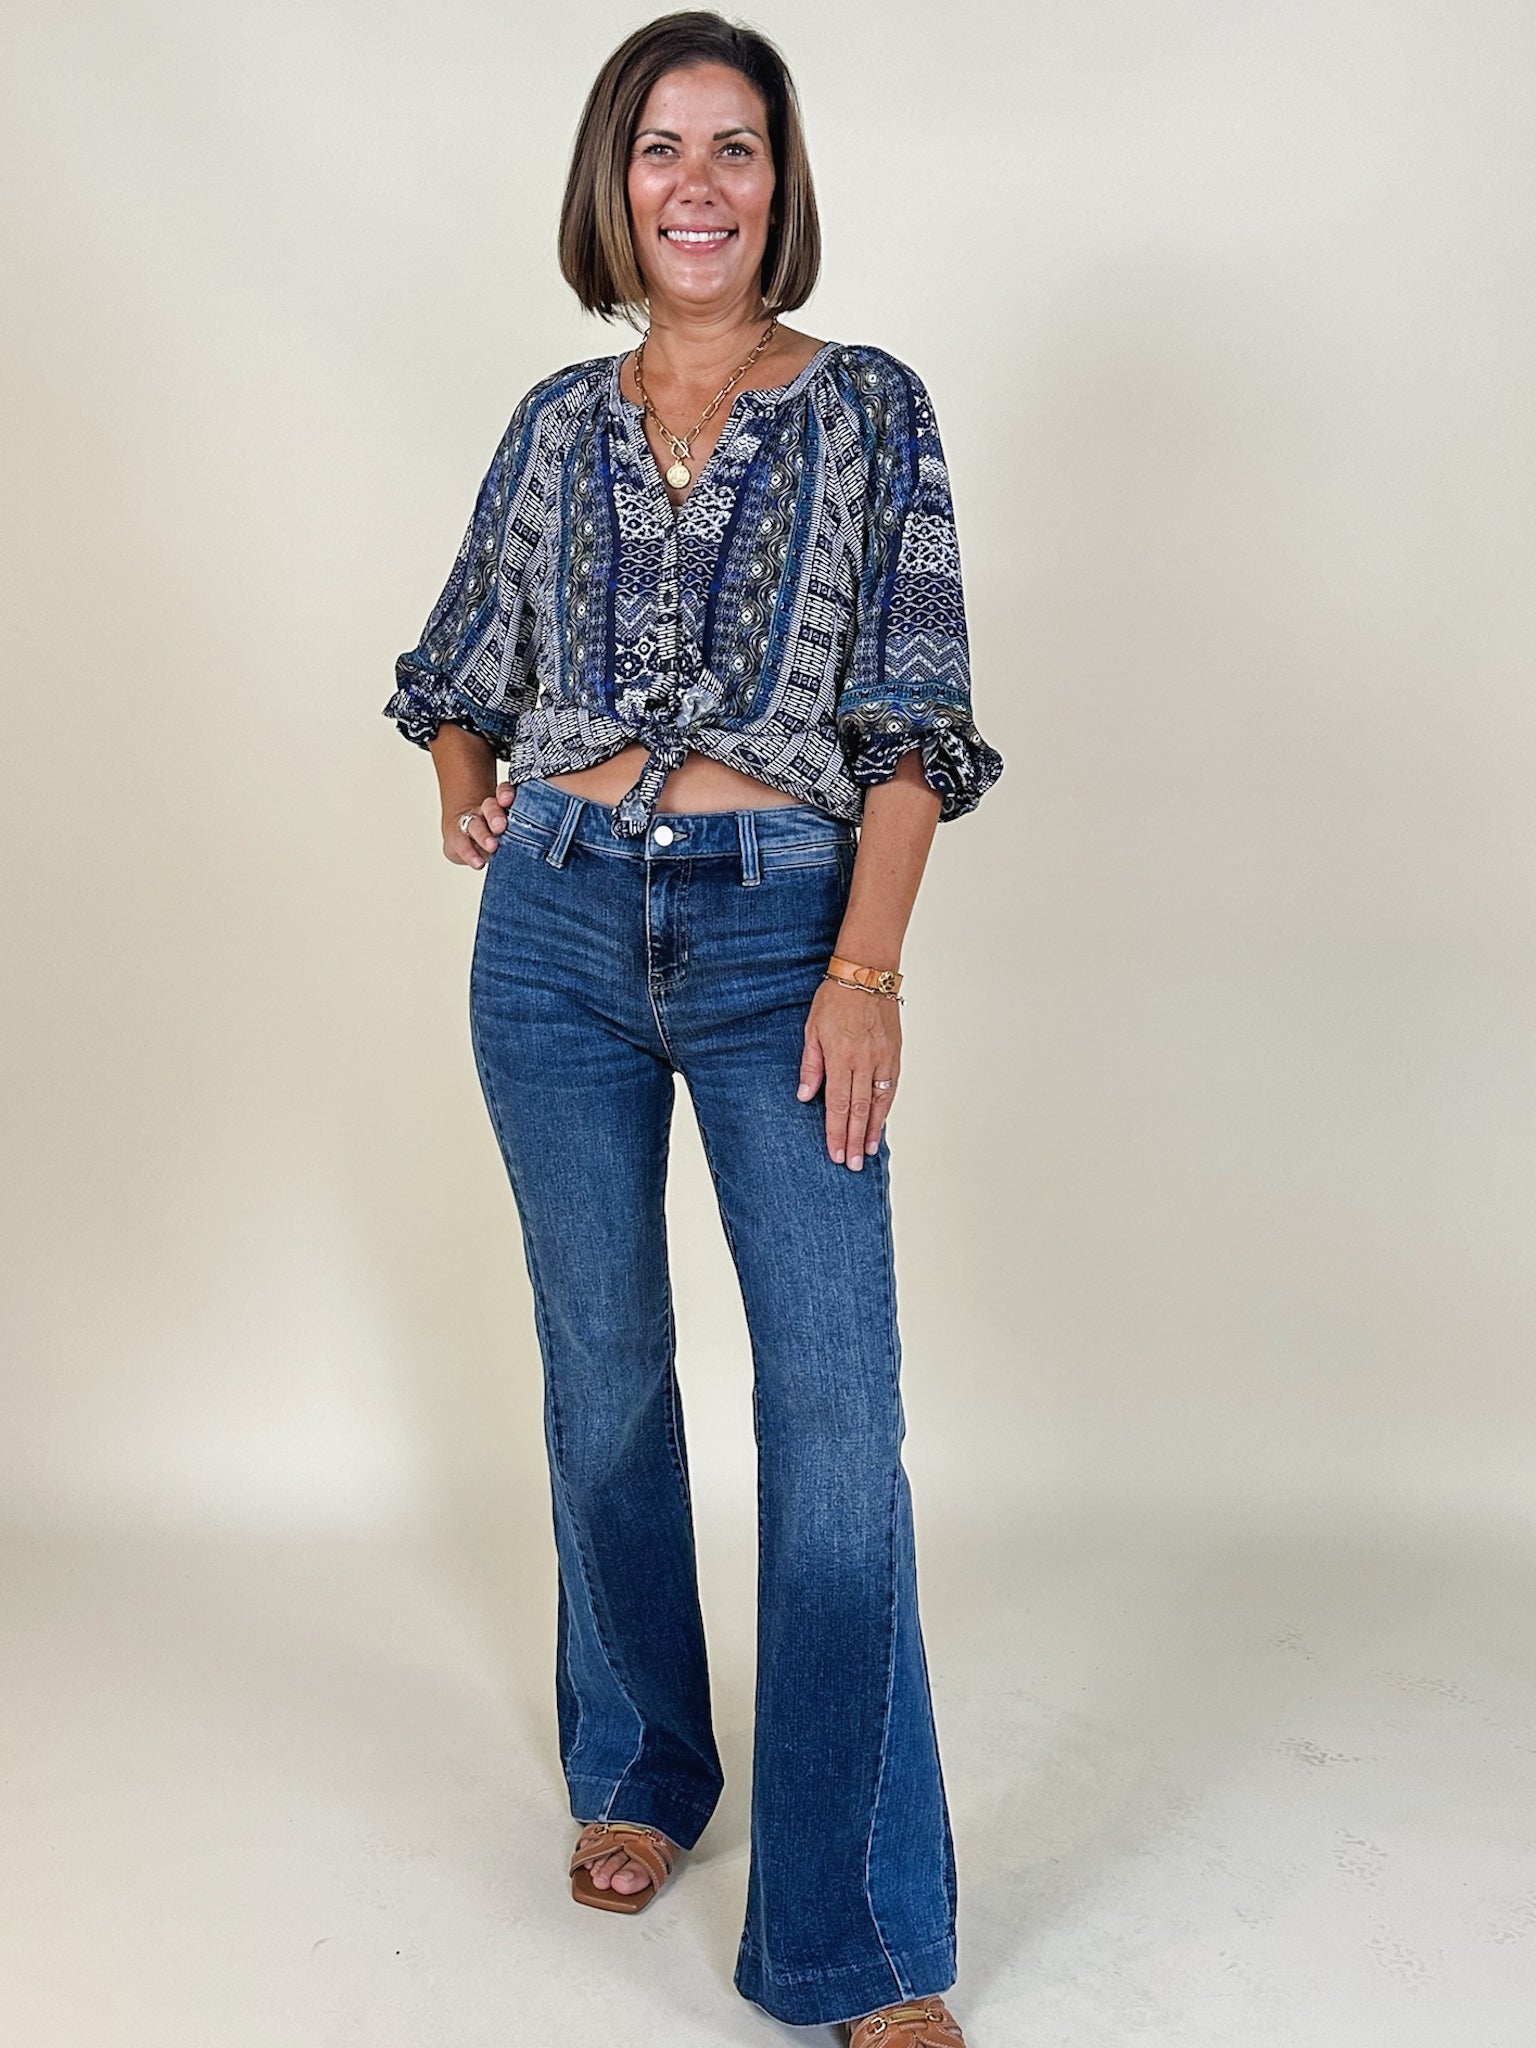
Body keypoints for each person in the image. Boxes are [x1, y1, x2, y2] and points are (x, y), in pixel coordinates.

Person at [383, 13, 1004, 2043]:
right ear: (616, 182)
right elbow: (455, 667)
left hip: (780, 939)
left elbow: (915, 722)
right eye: (664, 147)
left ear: (779, 182)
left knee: (833, 1413)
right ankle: (645, 1761)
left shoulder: (870, 408)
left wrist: (865, 968)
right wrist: (471, 792)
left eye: (738, 147)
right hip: (554, 934)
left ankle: (860, 1938)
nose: (700, 183)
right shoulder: (556, 420)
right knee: (604, 1372)